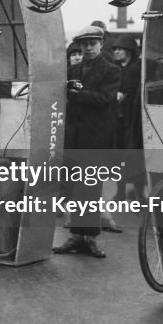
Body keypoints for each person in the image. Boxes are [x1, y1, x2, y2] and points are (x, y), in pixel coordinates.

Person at [54, 25, 120, 258]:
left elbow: (105, 99)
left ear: (101, 44)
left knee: (90, 189)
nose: (88, 48)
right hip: (76, 136)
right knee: (75, 188)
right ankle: (76, 236)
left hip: (97, 137)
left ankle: (89, 238)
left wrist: (77, 94)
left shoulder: (111, 70)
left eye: (93, 43)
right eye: (84, 44)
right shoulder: (73, 69)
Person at [112, 36, 146, 202]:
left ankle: (139, 193)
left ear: (129, 51)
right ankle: (120, 192)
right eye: (115, 49)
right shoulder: (115, 69)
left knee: (135, 156)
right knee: (119, 158)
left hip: (134, 121)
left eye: (120, 48)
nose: (116, 52)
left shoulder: (138, 69)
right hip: (118, 121)